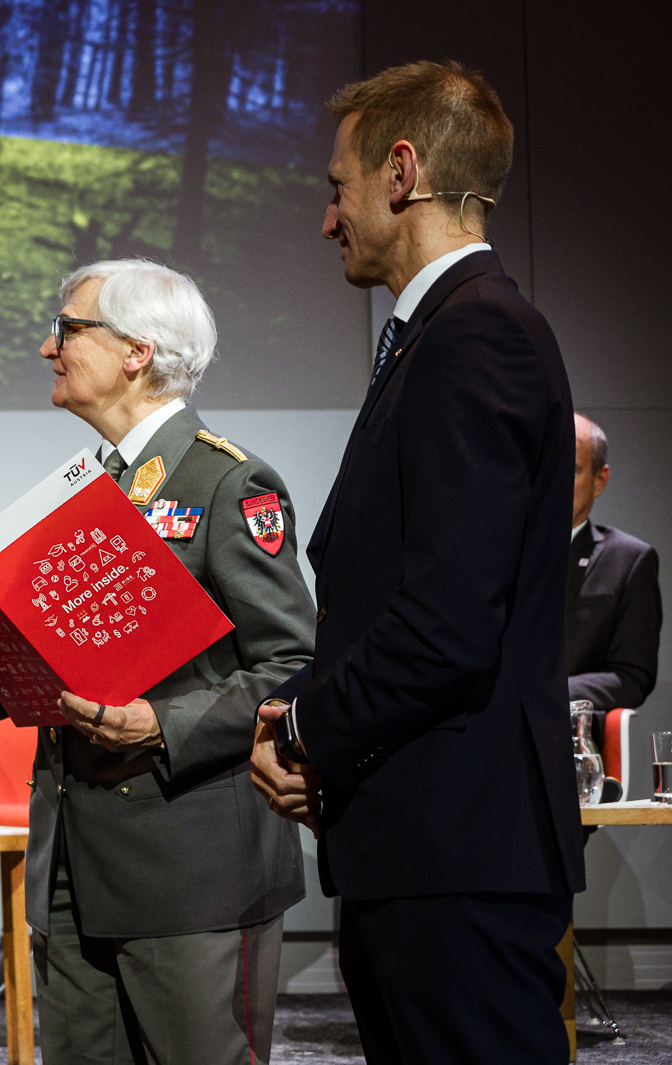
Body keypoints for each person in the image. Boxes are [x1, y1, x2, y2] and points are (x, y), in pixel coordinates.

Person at [249, 61, 585, 1064]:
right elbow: (394, 601)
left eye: (334, 188)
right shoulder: (445, 334)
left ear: (401, 174)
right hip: (426, 845)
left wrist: (307, 728)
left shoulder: (476, 336)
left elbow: (444, 626)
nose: (326, 219)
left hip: (460, 854)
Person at [0, 259, 315, 1065]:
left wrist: (160, 724)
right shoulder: (91, 484)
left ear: (137, 351)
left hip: (191, 875)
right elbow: (39, 651)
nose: (46, 346)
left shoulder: (228, 482)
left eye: (68, 328)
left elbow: (292, 663)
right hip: (73, 872)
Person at [568, 413, 661, 744]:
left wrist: (548, 690)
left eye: (572, 470)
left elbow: (632, 676)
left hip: (566, 735)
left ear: (599, 480)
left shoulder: (629, 559)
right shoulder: (500, 551)